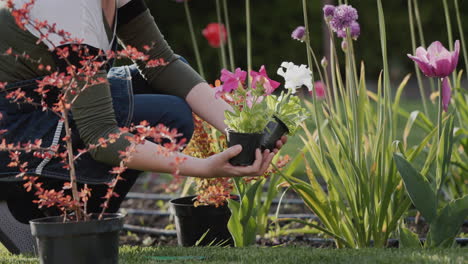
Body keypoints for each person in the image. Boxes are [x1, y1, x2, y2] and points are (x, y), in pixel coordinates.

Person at [0, 0, 286, 254]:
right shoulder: (71, 7)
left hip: (45, 102)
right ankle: (28, 209)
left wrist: (245, 130)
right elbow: (102, 138)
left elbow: (162, 65)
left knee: (171, 87)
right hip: (16, 130)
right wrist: (204, 167)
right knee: (168, 115)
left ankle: (71, 216)